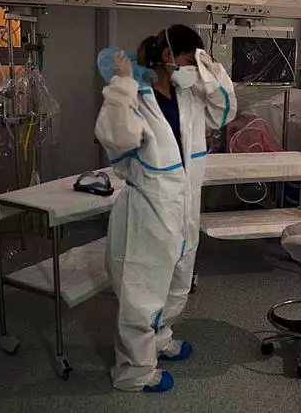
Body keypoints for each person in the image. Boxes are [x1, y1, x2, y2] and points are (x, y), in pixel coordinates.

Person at [95, 24, 236, 392]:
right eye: (190, 61)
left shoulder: (188, 95)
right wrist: (122, 85)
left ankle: (160, 340)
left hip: (185, 203)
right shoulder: (137, 95)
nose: (194, 70)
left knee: (177, 281)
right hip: (149, 206)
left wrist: (208, 71)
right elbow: (116, 137)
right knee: (143, 289)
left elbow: (225, 111)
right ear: (168, 56)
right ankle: (134, 372)